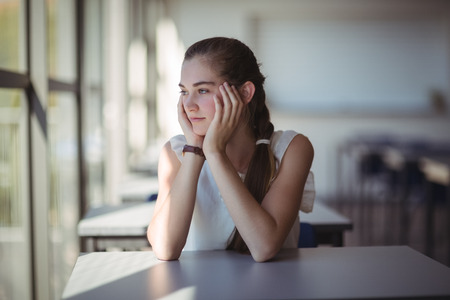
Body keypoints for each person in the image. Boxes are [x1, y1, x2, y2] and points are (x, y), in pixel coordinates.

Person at [147, 37, 315, 262]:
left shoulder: (291, 149)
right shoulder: (176, 153)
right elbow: (165, 249)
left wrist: (215, 153)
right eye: (184, 92)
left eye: (203, 90)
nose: (189, 105)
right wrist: (196, 150)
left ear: (245, 93)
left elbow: (264, 246)